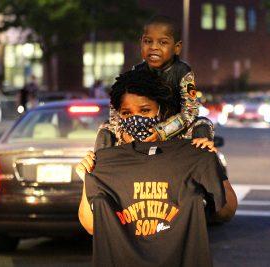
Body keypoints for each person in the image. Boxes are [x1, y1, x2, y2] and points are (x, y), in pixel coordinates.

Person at [78, 70, 237, 267]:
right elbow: (92, 226)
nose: (136, 119)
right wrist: (89, 177)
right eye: (127, 113)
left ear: (162, 111)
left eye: (145, 111)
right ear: (118, 116)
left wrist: (211, 164)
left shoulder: (190, 154)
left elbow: (226, 211)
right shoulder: (107, 160)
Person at [100, 15, 214, 146]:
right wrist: (123, 133)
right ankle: (99, 161)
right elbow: (117, 107)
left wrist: (164, 130)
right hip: (140, 131)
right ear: (141, 43)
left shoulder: (183, 72)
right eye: (148, 41)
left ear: (177, 47)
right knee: (106, 127)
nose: (154, 47)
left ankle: (202, 152)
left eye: (163, 42)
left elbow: (190, 111)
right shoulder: (136, 72)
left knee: (202, 123)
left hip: (174, 132)